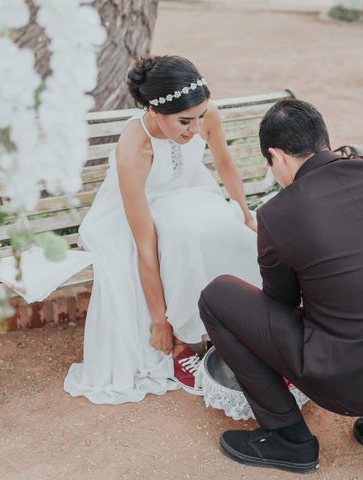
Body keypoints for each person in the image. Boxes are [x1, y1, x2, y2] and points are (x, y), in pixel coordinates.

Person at [198, 99, 363, 473]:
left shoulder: (279, 213)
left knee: (217, 297)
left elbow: (279, 302)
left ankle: (288, 439)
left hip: (346, 381)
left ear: (276, 156)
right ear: (323, 140)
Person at [59, 55, 262, 403]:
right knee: (183, 238)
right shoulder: (134, 146)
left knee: (231, 230)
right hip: (139, 207)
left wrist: (245, 212)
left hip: (193, 191)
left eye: (200, 117)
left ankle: (247, 325)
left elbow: (224, 162)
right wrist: (159, 322)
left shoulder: (205, 113)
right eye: (185, 122)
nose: (196, 129)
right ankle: (188, 339)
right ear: (154, 111)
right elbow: (145, 246)